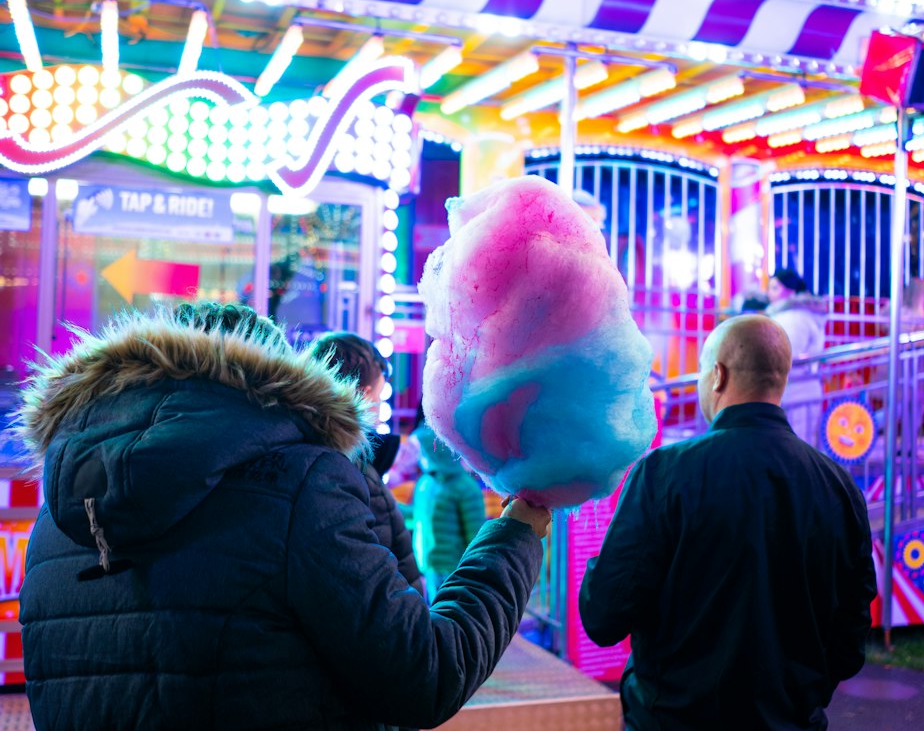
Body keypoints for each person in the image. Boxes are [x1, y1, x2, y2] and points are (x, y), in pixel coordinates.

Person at [18, 301, 550, 731]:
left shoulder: (59, 519)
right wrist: (517, 532)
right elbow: (424, 675)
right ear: (275, 382)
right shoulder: (303, 483)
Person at [580, 315, 875, 730]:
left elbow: (603, 615)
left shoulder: (666, 474)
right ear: (781, 380)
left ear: (717, 375)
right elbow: (850, 640)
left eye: (702, 370)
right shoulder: (839, 488)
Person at [310, 330, 423, 592]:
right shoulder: (357, 472)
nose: (375, 410)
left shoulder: (299, 451)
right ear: (361, 394)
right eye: (376, 399)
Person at [412, 423, 487, 602]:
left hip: (453, 570)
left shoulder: (465, 488)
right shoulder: (426, 484)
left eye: (424, 451)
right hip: (429, 566)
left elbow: (475, 537)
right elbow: (417, 517)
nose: (421, 457)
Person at [766, 266, 828, 442]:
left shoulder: (793, 318)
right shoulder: (793, 315)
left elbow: (786, 354)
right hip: (797, 389)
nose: (769, 293)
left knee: (795, 446)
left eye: (775, 288)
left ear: (791, 290)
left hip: (797, 390)